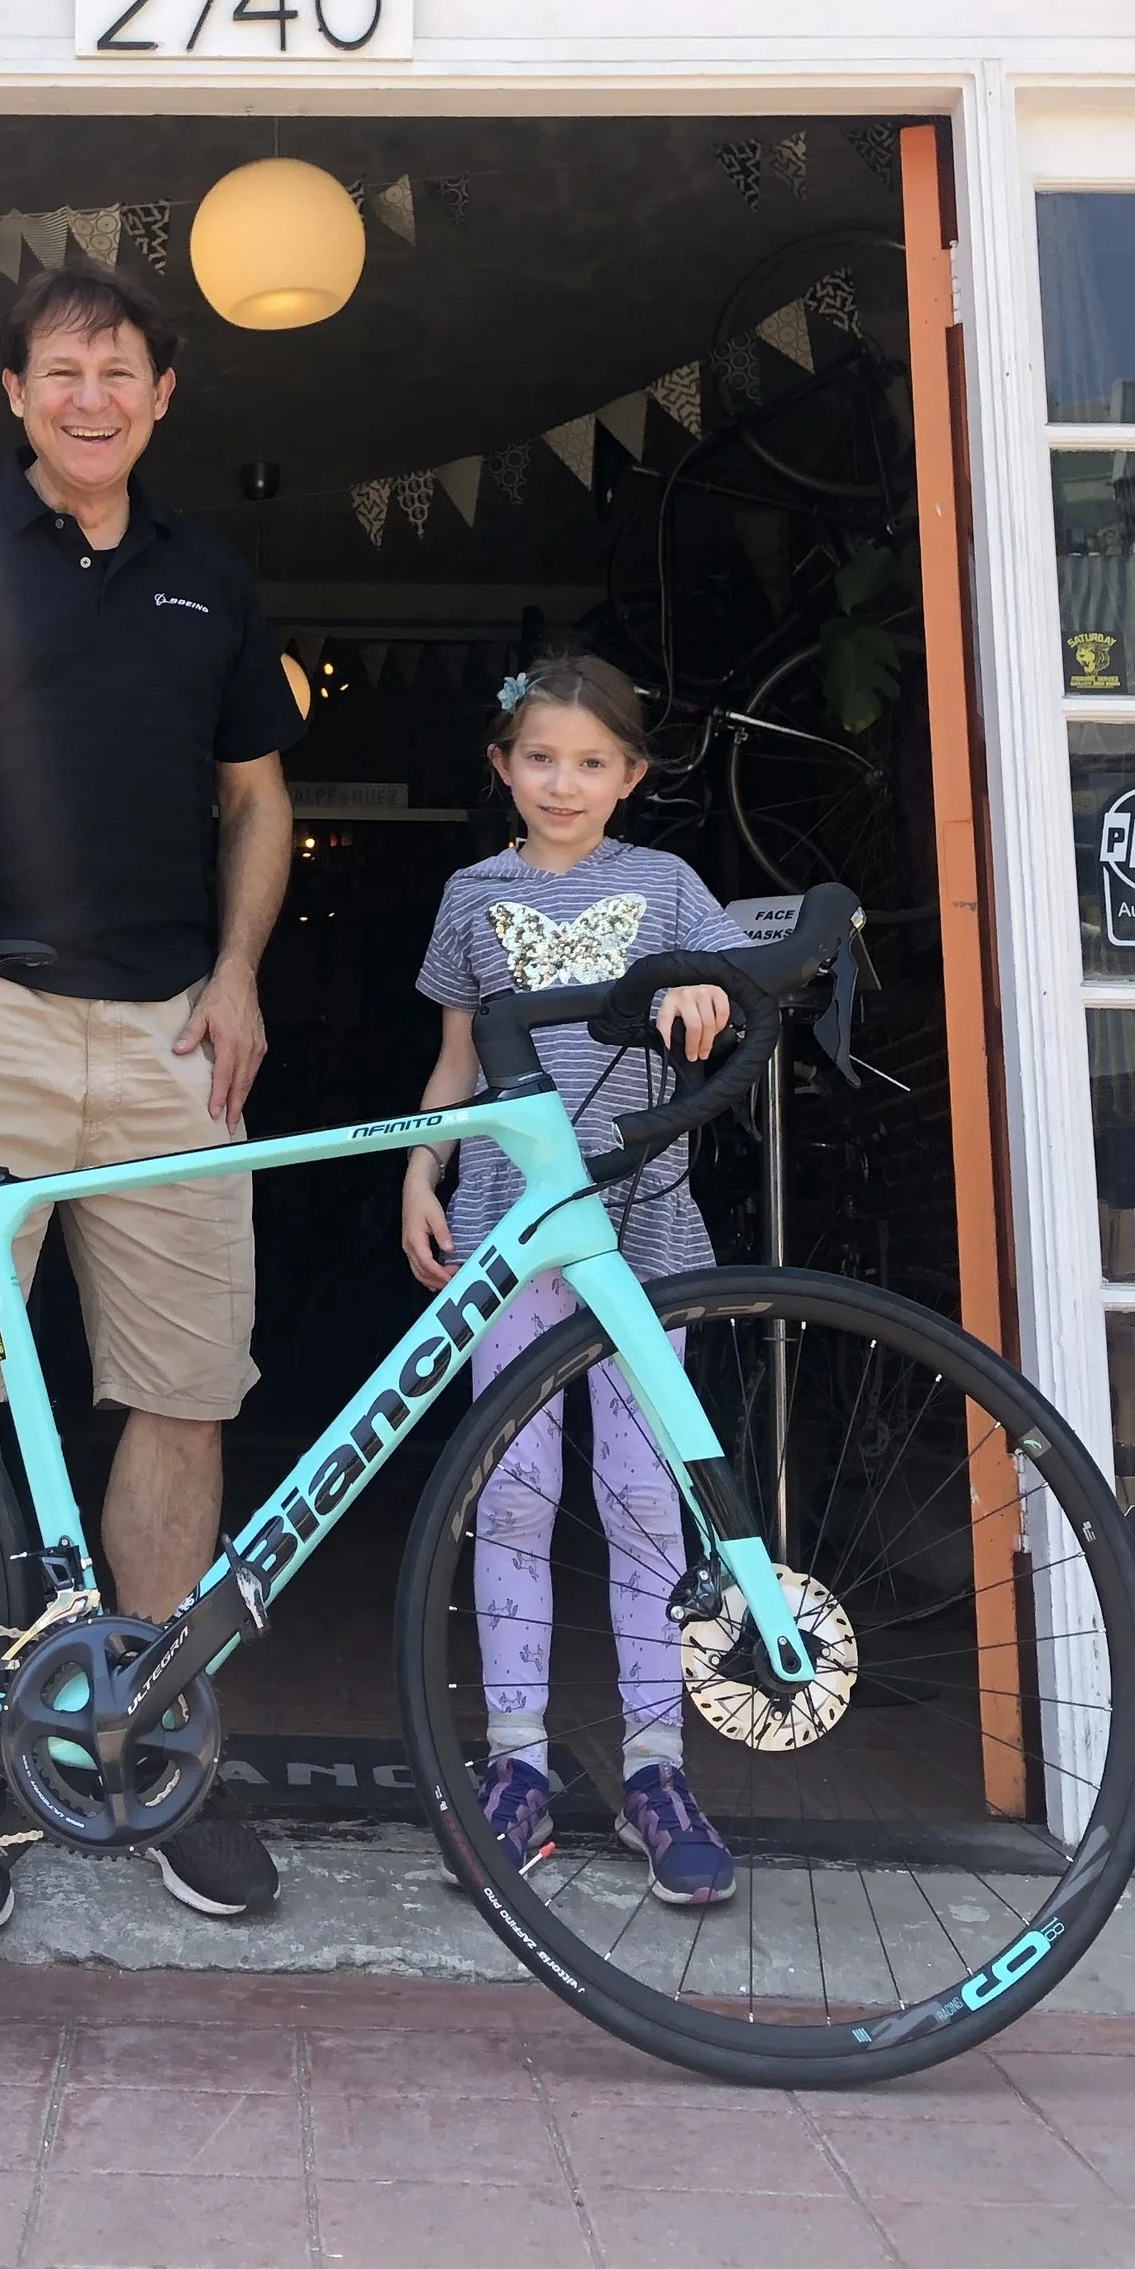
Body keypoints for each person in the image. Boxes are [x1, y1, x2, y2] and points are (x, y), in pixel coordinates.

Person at [0, 259, 304, 1928]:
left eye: (119, 367)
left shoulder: (209, 577)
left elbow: (258, 797)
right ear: (16, 394)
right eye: (58, 369)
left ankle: (143, 1741)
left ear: (162, 393)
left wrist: (241, 972)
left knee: (181, 1393)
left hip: (172, 1030)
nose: (90, 393)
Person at [401, 654, 750, 1908]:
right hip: (507, 1223)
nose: (563, 782)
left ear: (630, 777)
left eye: (591, 762)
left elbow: (730, 982)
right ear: (501, 766)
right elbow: (452, 1056)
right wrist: (420, 1172)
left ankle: (658, 1766)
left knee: (644, 1495)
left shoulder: (665, 887)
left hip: (643, 1228)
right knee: (512, 1492)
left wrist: (710, 986)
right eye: (539, 758)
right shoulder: (470, 893)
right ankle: (515, 1765)